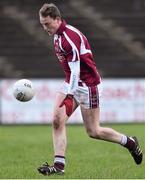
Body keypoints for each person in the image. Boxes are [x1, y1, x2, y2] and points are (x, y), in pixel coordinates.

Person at [37, 3, 143, 176]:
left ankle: (129, 142)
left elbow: (77, 71)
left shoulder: (69, 37)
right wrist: (69, 91)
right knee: (56, 120)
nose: (44, 28)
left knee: (94, 131)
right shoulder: (57, 35)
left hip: (88, 86)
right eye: (42, 24)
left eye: (47, 24)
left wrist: (69, 94)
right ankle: (58, 166)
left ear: (57, 19)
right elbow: (71, 73)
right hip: (72, 82)